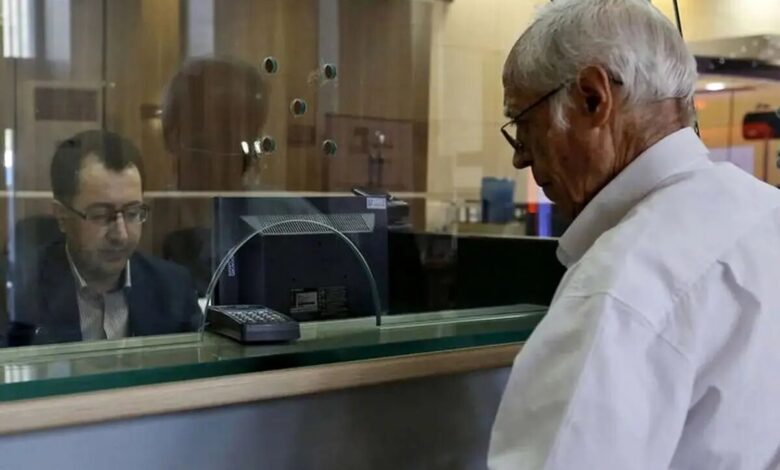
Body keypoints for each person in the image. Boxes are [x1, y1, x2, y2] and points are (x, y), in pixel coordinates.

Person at [489, 0, 780, 468]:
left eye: (524, 124)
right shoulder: (766, 215)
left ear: (592, 98)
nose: (520, 157)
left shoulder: (619, 289)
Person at [6, 130, 201, 346]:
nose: (121, 235)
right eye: (100, 215)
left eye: (132, 213)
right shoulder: (17, 293)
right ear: (62, 216)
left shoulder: (173, 288)